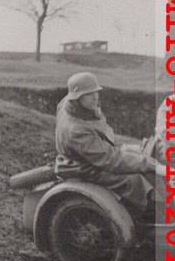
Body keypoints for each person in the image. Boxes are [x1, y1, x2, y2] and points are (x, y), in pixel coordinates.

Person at [56, 72, 165, 215]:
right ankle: (148, 214)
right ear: (76, 98)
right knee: (135, 180)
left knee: (140, 154)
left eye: (95, 91)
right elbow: (109, 159)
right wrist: (150, 165)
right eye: (88, 94)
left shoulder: (69, 104)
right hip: (85, 167)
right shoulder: (76, 130)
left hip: (87, 154)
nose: (95, 97)